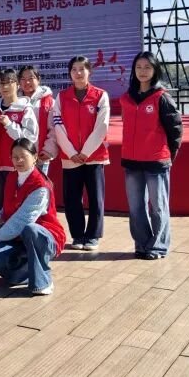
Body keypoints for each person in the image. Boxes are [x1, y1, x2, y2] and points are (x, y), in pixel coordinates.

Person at [121, 52, 183, 260]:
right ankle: (142, 244)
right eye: (139, 67)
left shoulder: (161, 97)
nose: (143, 71)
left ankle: (158, 246)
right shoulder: (127, 98)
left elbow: (175, 129)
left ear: (155, 70)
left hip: (156, 161)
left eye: (147, 67)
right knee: (136, 207)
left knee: (158, 207)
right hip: (131, 161)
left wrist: (169, 155)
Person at [0, 138, 65, 296]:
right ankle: (25, 275)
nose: (19, 160)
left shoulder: (41, 186)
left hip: (44, 236)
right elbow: (10, 206)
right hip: (19, 237)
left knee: (31, 230)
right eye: (15, 157)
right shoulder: (12, 177)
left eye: (23, 156)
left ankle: (43, 281)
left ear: (35, 157)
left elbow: (23, 220)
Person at [49, 56, 110, 251]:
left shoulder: (100, 95)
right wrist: (71, 152)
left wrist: (85, 152)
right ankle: (77, 235)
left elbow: (102, 126)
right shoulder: (62, 97)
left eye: (82, 69)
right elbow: (58, 125)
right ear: (70, 73)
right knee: (72, 198)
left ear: (89, 71)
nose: (78, 73)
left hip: (94, 157)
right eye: (74, 69)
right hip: (70, 158)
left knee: (95, 197)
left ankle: (92, 236)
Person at [0, 69, 39, 221]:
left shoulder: (24, 108)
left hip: (16, 167)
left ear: (17, 85)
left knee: (15, 205)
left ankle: (15, 233)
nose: (4, 87)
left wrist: (9, 125)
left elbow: (30, 138)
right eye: (1, 83)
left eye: (8, 83)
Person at [21, 65, 56, 175]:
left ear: (38, 79)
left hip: (41, 156)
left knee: (39, 184)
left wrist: (48, 150)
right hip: (19, 156)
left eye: (31, 78)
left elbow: (55, 129)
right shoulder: (15, 100)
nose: (27, 82)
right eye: (23, 79)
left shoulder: (49, 102)